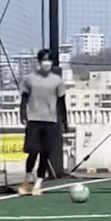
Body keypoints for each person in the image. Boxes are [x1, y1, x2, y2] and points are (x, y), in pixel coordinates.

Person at [19, 49, 67, 196]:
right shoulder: (29, 78)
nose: (46, 63)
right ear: (39, 61)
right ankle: (28, 177)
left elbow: (61, 101)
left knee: (45, 153)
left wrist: (64, 120)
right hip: (34, 118)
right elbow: (24, 97)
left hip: (51, 119)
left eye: (49, 60)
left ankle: (39, 182)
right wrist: (22, 113)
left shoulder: (57, 80)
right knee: (33, 150)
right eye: (44, 60)